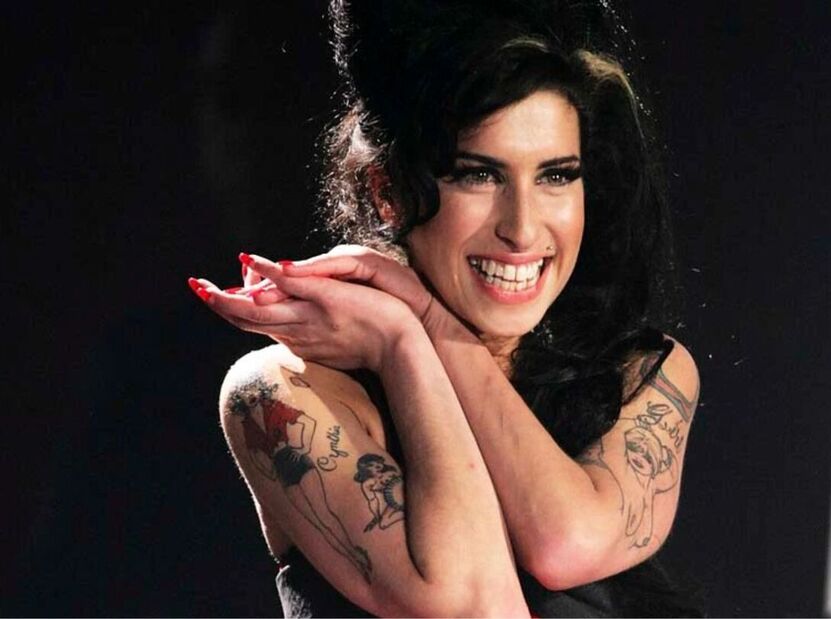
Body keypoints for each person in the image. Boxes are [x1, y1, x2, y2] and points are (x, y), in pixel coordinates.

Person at [188, 1, 701, 616]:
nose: (522, 228)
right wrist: (401, 345)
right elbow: (469, 605)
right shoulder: (282, 395)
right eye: (478, 175)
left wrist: (428, 325)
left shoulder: (643, 375)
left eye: (556, 176)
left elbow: (563, 544)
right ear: (388, 191)